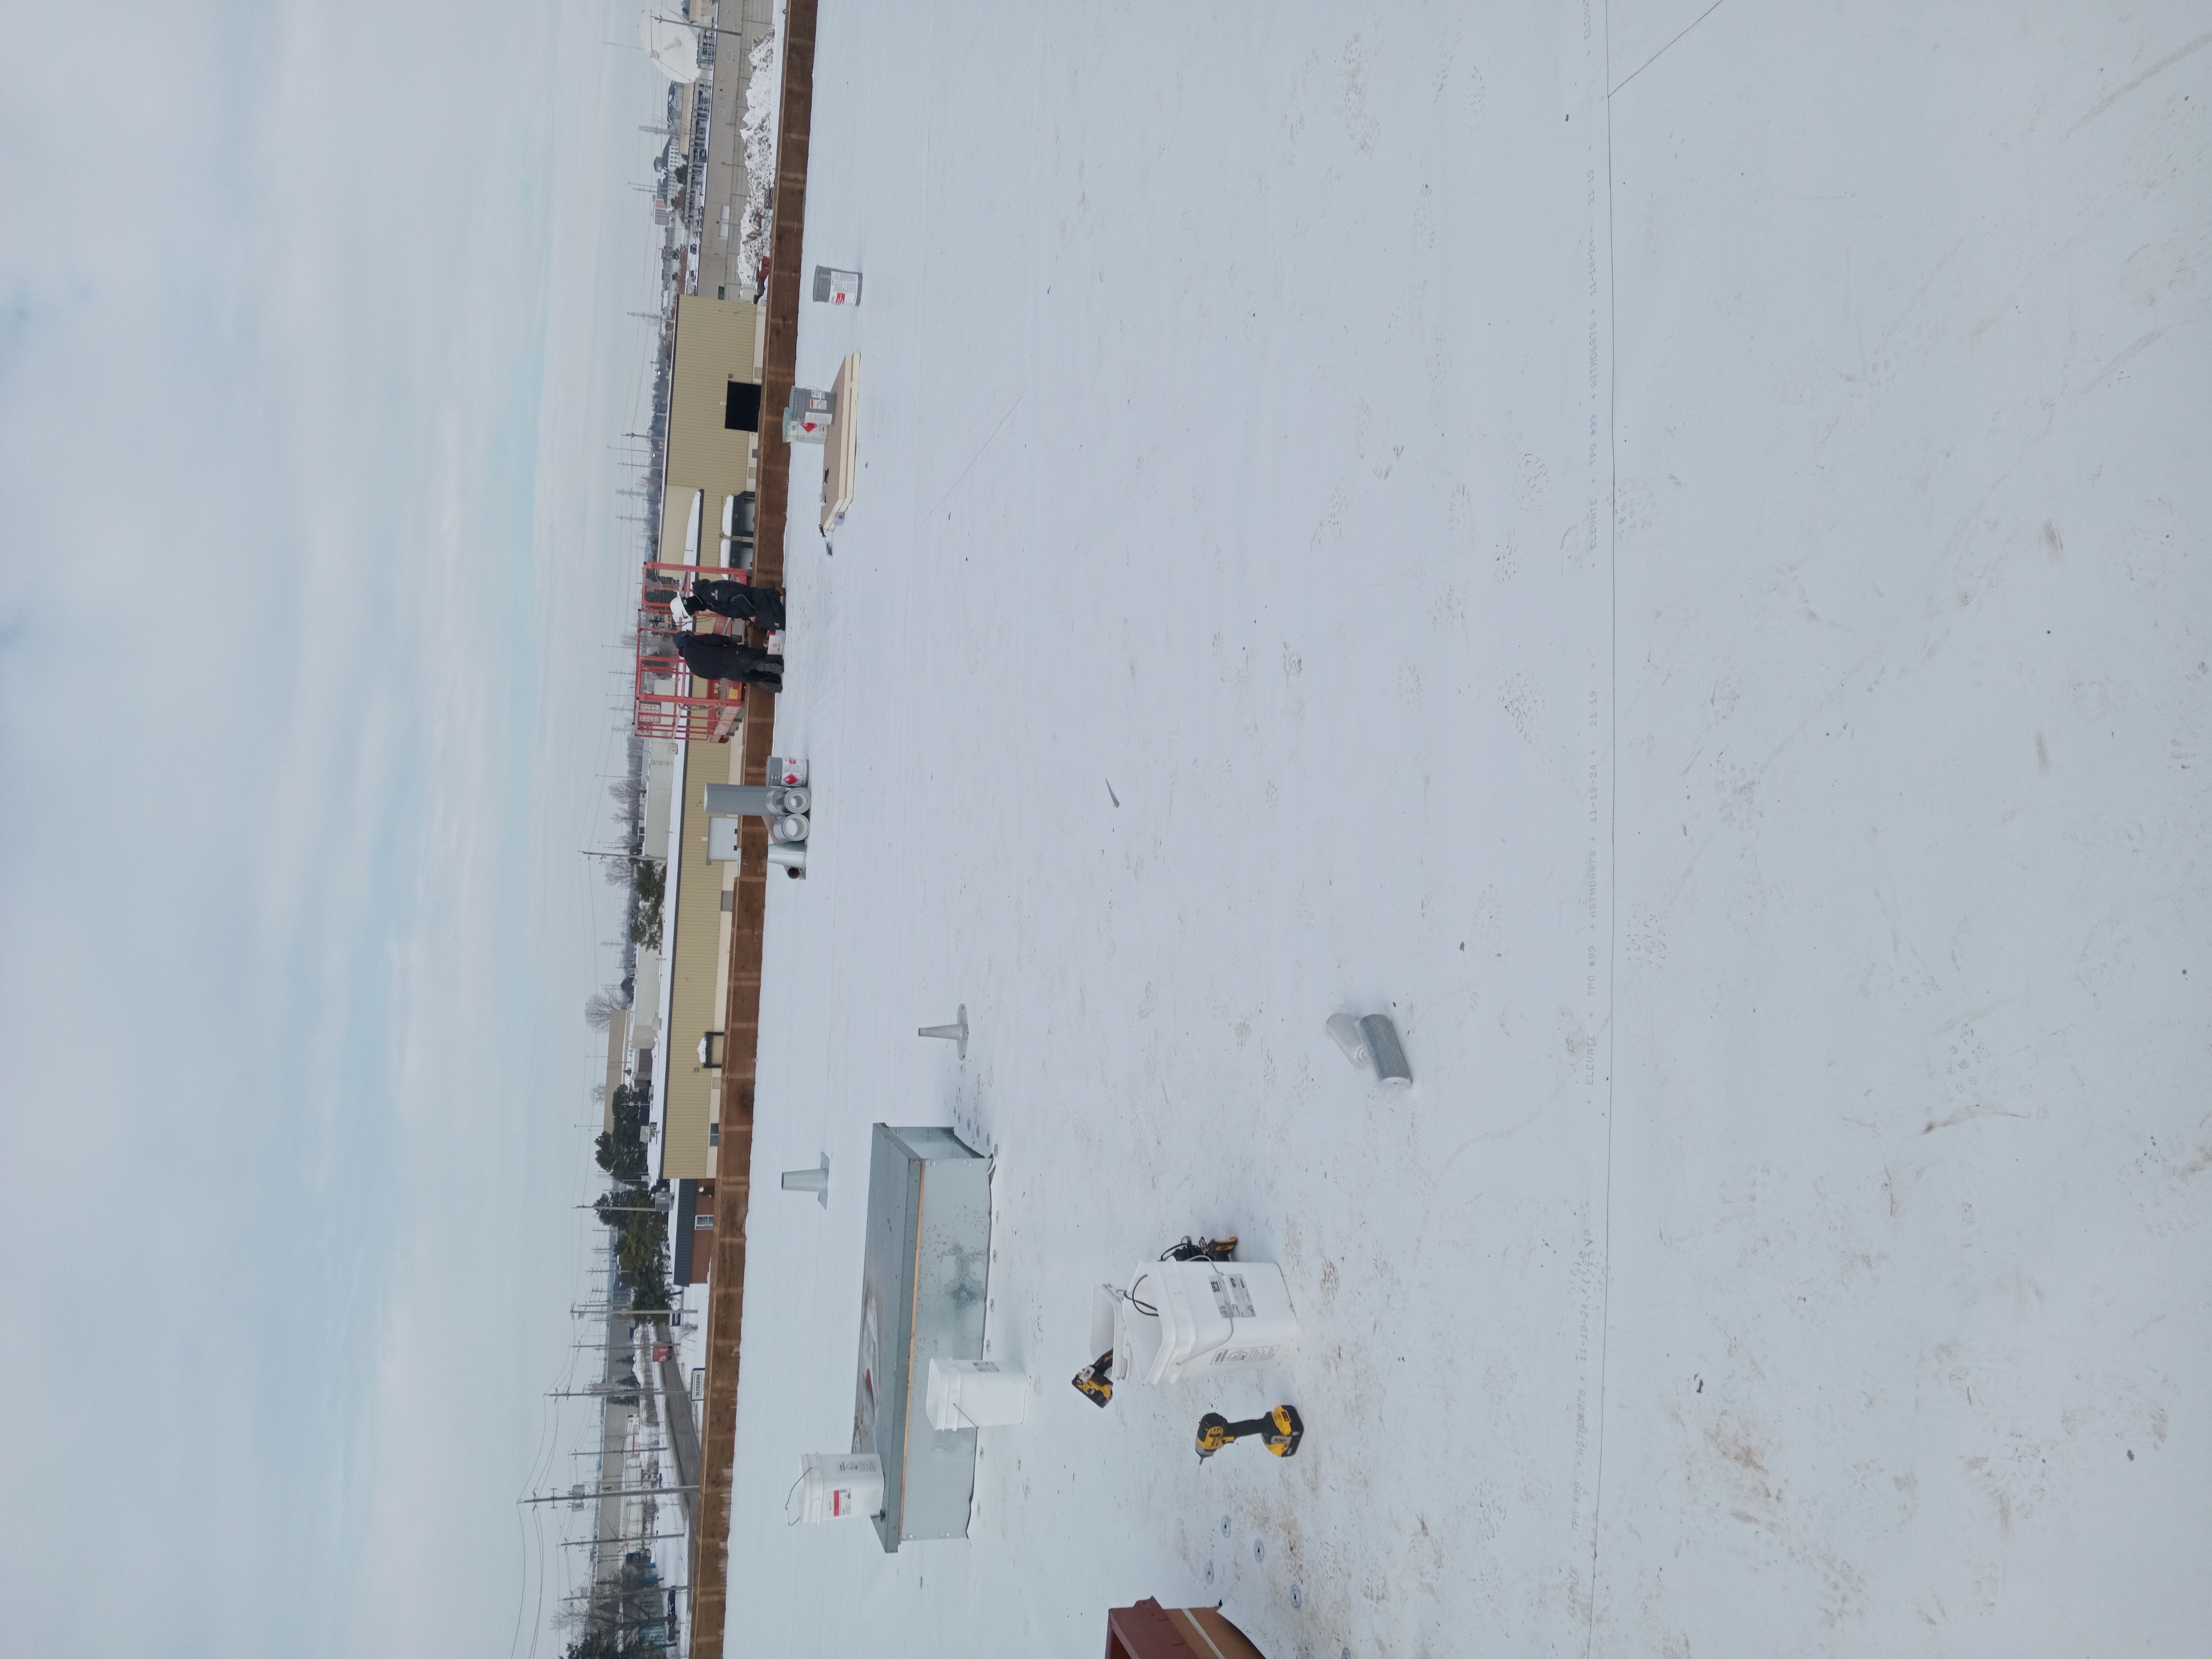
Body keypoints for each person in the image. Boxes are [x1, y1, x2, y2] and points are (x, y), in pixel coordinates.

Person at [672, 630, 782, 691]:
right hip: (734, 656)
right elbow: (713, 640)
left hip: (733, 674)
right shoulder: (692, 643)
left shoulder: (692, 667)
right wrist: (729, 640)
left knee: (755, 679)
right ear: (685, 637)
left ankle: (767, 682)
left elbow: (713, 677)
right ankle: (763, 665)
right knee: (757, 659)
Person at [683, 577, 785, 630]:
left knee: (780, 623)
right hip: (752, 606)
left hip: (754, 601)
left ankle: (772, 593)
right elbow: (731, 608)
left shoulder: (709, 594)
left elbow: (736, 597)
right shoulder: (708, 602)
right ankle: (770, 594)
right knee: (771, 624)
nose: (698, 612)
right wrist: (747, 617)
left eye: (695, 611)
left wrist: (750, 614)